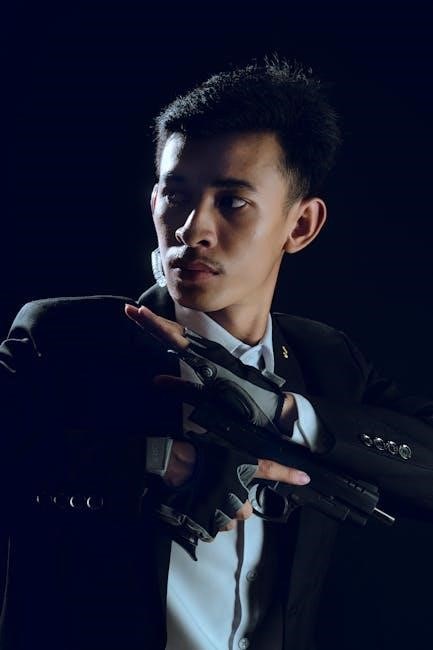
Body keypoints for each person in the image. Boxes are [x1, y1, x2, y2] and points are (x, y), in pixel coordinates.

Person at [1, 57, 433, 650]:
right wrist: (157, 462)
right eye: (175, 195)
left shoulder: (327, 360)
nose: (191, 229)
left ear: (301, 225)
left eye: (232, 201)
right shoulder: (67, 339)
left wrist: (286, 413)